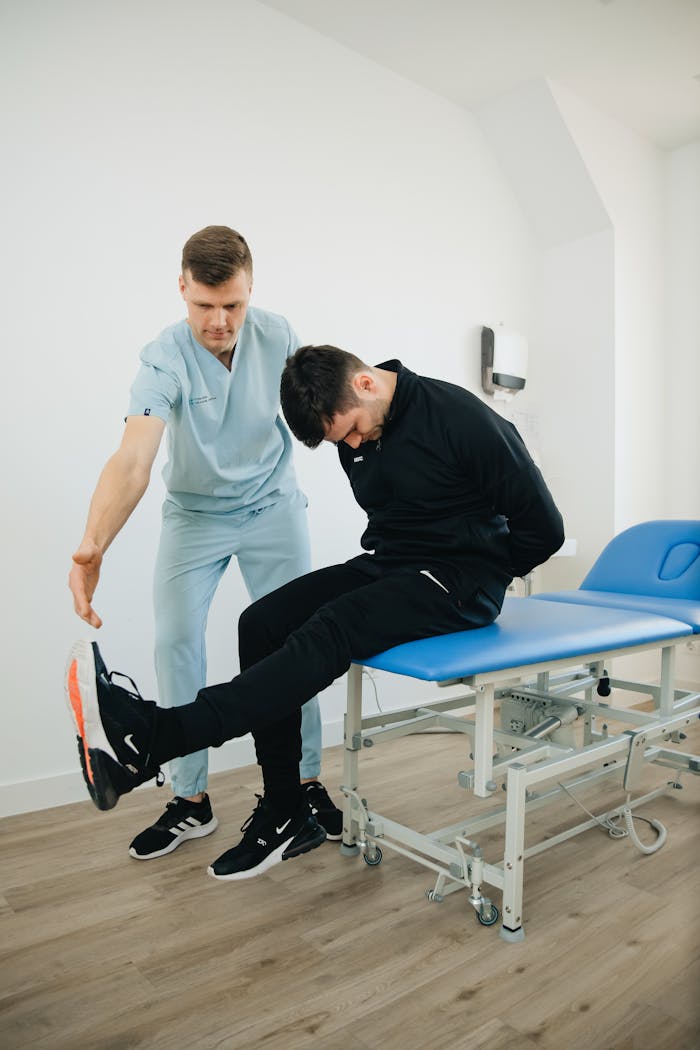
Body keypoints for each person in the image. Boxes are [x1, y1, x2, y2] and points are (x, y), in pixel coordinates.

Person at [65, 344, 565, 881]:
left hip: (458, 580)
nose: (352, 445)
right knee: (261, 622)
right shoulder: (355, 427)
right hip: (392, 564)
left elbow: (545, 529)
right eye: (340, 441)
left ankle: (158, 737)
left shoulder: (464, 420)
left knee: (334, 627)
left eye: (353, 431)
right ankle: (285, 807)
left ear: (366, 384)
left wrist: (482, 571)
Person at [67, 230, 342, 863]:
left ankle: (303, 782)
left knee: (299, 643)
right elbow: (134, 459)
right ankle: (190, 798)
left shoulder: (278, 335)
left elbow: (318, 412)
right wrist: (94, 544)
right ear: (182, 288)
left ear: (251, 291)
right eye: (204, 306)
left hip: (272, 507)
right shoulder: (164, 357)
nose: (219, 321)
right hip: (195, 516)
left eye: (233, 305)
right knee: (175, 642)